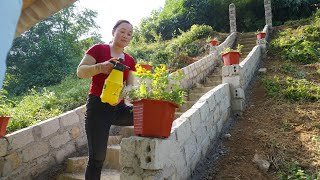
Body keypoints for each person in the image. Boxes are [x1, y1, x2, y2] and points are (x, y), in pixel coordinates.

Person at [77, 20, 136, 180]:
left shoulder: (130, 61)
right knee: (97, 158)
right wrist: (100, 67)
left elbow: (131, 86)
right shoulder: (98, 49)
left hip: (118, 108)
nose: (125, 35)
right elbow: (80, 71)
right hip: (97, 108)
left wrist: (122, 97)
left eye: (129, 34)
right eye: (122, 31)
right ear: (113, 32)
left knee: (145, 115)